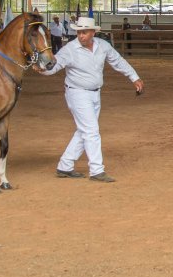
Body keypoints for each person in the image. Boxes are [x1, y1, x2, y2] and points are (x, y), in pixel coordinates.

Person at [38, 16, 143, 183]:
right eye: (79, 32)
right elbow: (55, 65)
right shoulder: (69, 49)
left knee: (84, 131)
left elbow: (118, 61)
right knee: (91, 131)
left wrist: (134, 77)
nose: (81, 36)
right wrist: (43, 68)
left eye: (84, 32)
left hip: (95, 93)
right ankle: (96, 170)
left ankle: (64, 166)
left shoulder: (103, 46)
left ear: (93, 32)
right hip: (77, 93)